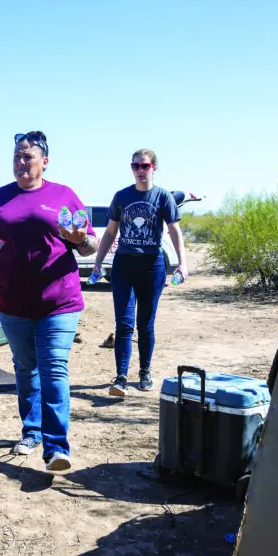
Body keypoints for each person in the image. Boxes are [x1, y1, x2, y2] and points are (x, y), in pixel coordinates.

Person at [0, 131, 97, 471]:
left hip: (59, 301)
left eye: (28, 156)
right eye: (16, 156)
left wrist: (78, 239)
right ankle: (32, 431)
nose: (21, 162)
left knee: (54, 369)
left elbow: (90, 246)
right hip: (12, 303)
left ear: (45, 162)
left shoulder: (63, 195)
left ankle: (56, 449)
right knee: (26, 369)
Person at [92, 148, 187, 396]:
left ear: (154, 167)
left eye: (145, 166)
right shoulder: (122, 196)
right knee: (124, 323)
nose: (140, 171)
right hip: (123, 264)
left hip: (152, 265)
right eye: (136, 166)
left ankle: (144, 371)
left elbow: (175, 231)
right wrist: (98, 262)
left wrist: (182, 264)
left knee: (145, 324)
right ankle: (121, 377)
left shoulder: (163, 197)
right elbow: (111, 232)